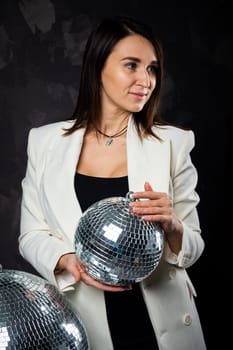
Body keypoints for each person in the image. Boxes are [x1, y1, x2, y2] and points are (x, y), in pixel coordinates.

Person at [18, 15, 207, 350]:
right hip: (87, 321)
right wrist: (66, 260)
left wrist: (174, 227)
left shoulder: (173, 143)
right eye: (131, 65)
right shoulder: (45, 142)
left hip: (164, 327)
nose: (146, 80)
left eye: (152, 68)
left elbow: (193, 246)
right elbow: (31, 234)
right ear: (97, 67)